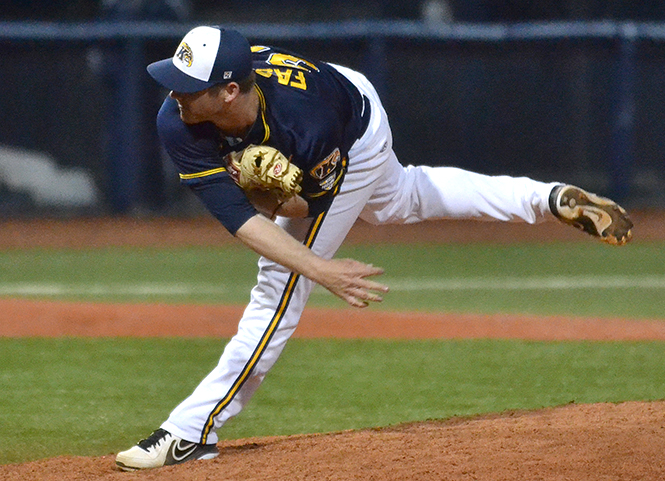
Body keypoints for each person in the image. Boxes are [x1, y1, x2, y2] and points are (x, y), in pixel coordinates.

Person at [115, 26, 633, 471]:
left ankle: (190, 430)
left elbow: (301, 210)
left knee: (278, 287)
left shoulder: (306, 124)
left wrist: (318, 267)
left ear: (229, 91)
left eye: (189, 87)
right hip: (340, 95)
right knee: (402, 199)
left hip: (352, 131)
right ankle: (544, 198)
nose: (174, 94)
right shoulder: (177, 119)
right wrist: (261, 193)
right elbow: (241, 218)